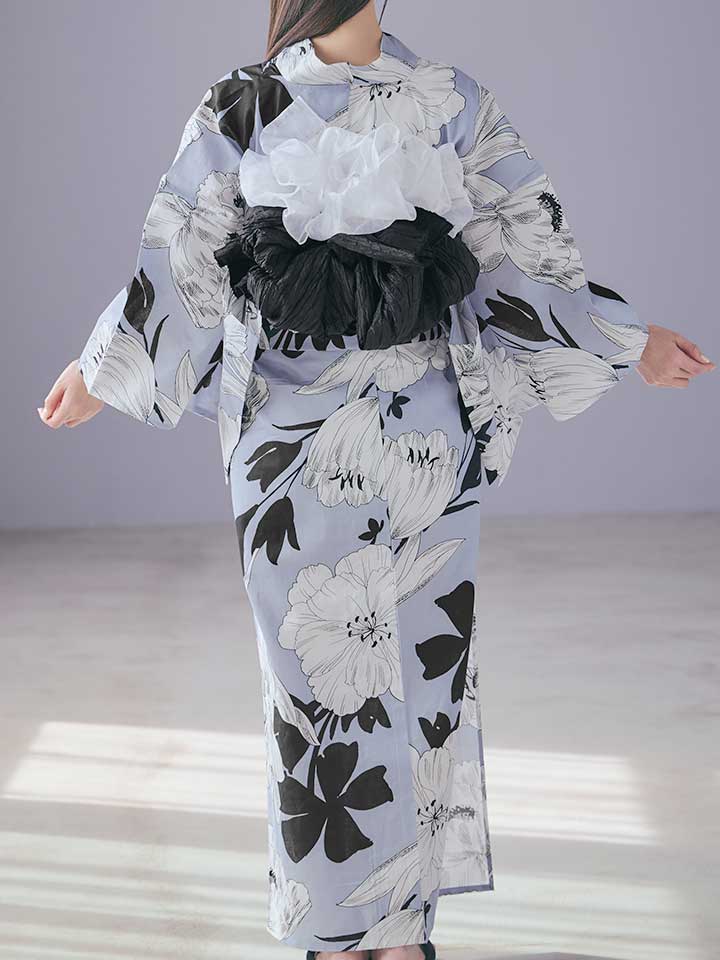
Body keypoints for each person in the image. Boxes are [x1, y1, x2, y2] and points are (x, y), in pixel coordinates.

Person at [37, 2, 714, 960]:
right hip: (289, 445)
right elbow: (183, 259)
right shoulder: (243, 104)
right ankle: (338, 930)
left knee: (424, 679)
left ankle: (402, 929)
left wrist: (629, 341)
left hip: (424, 441)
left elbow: (518, 258)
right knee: (314, 684)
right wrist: (101, 367)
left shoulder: (453, 103)